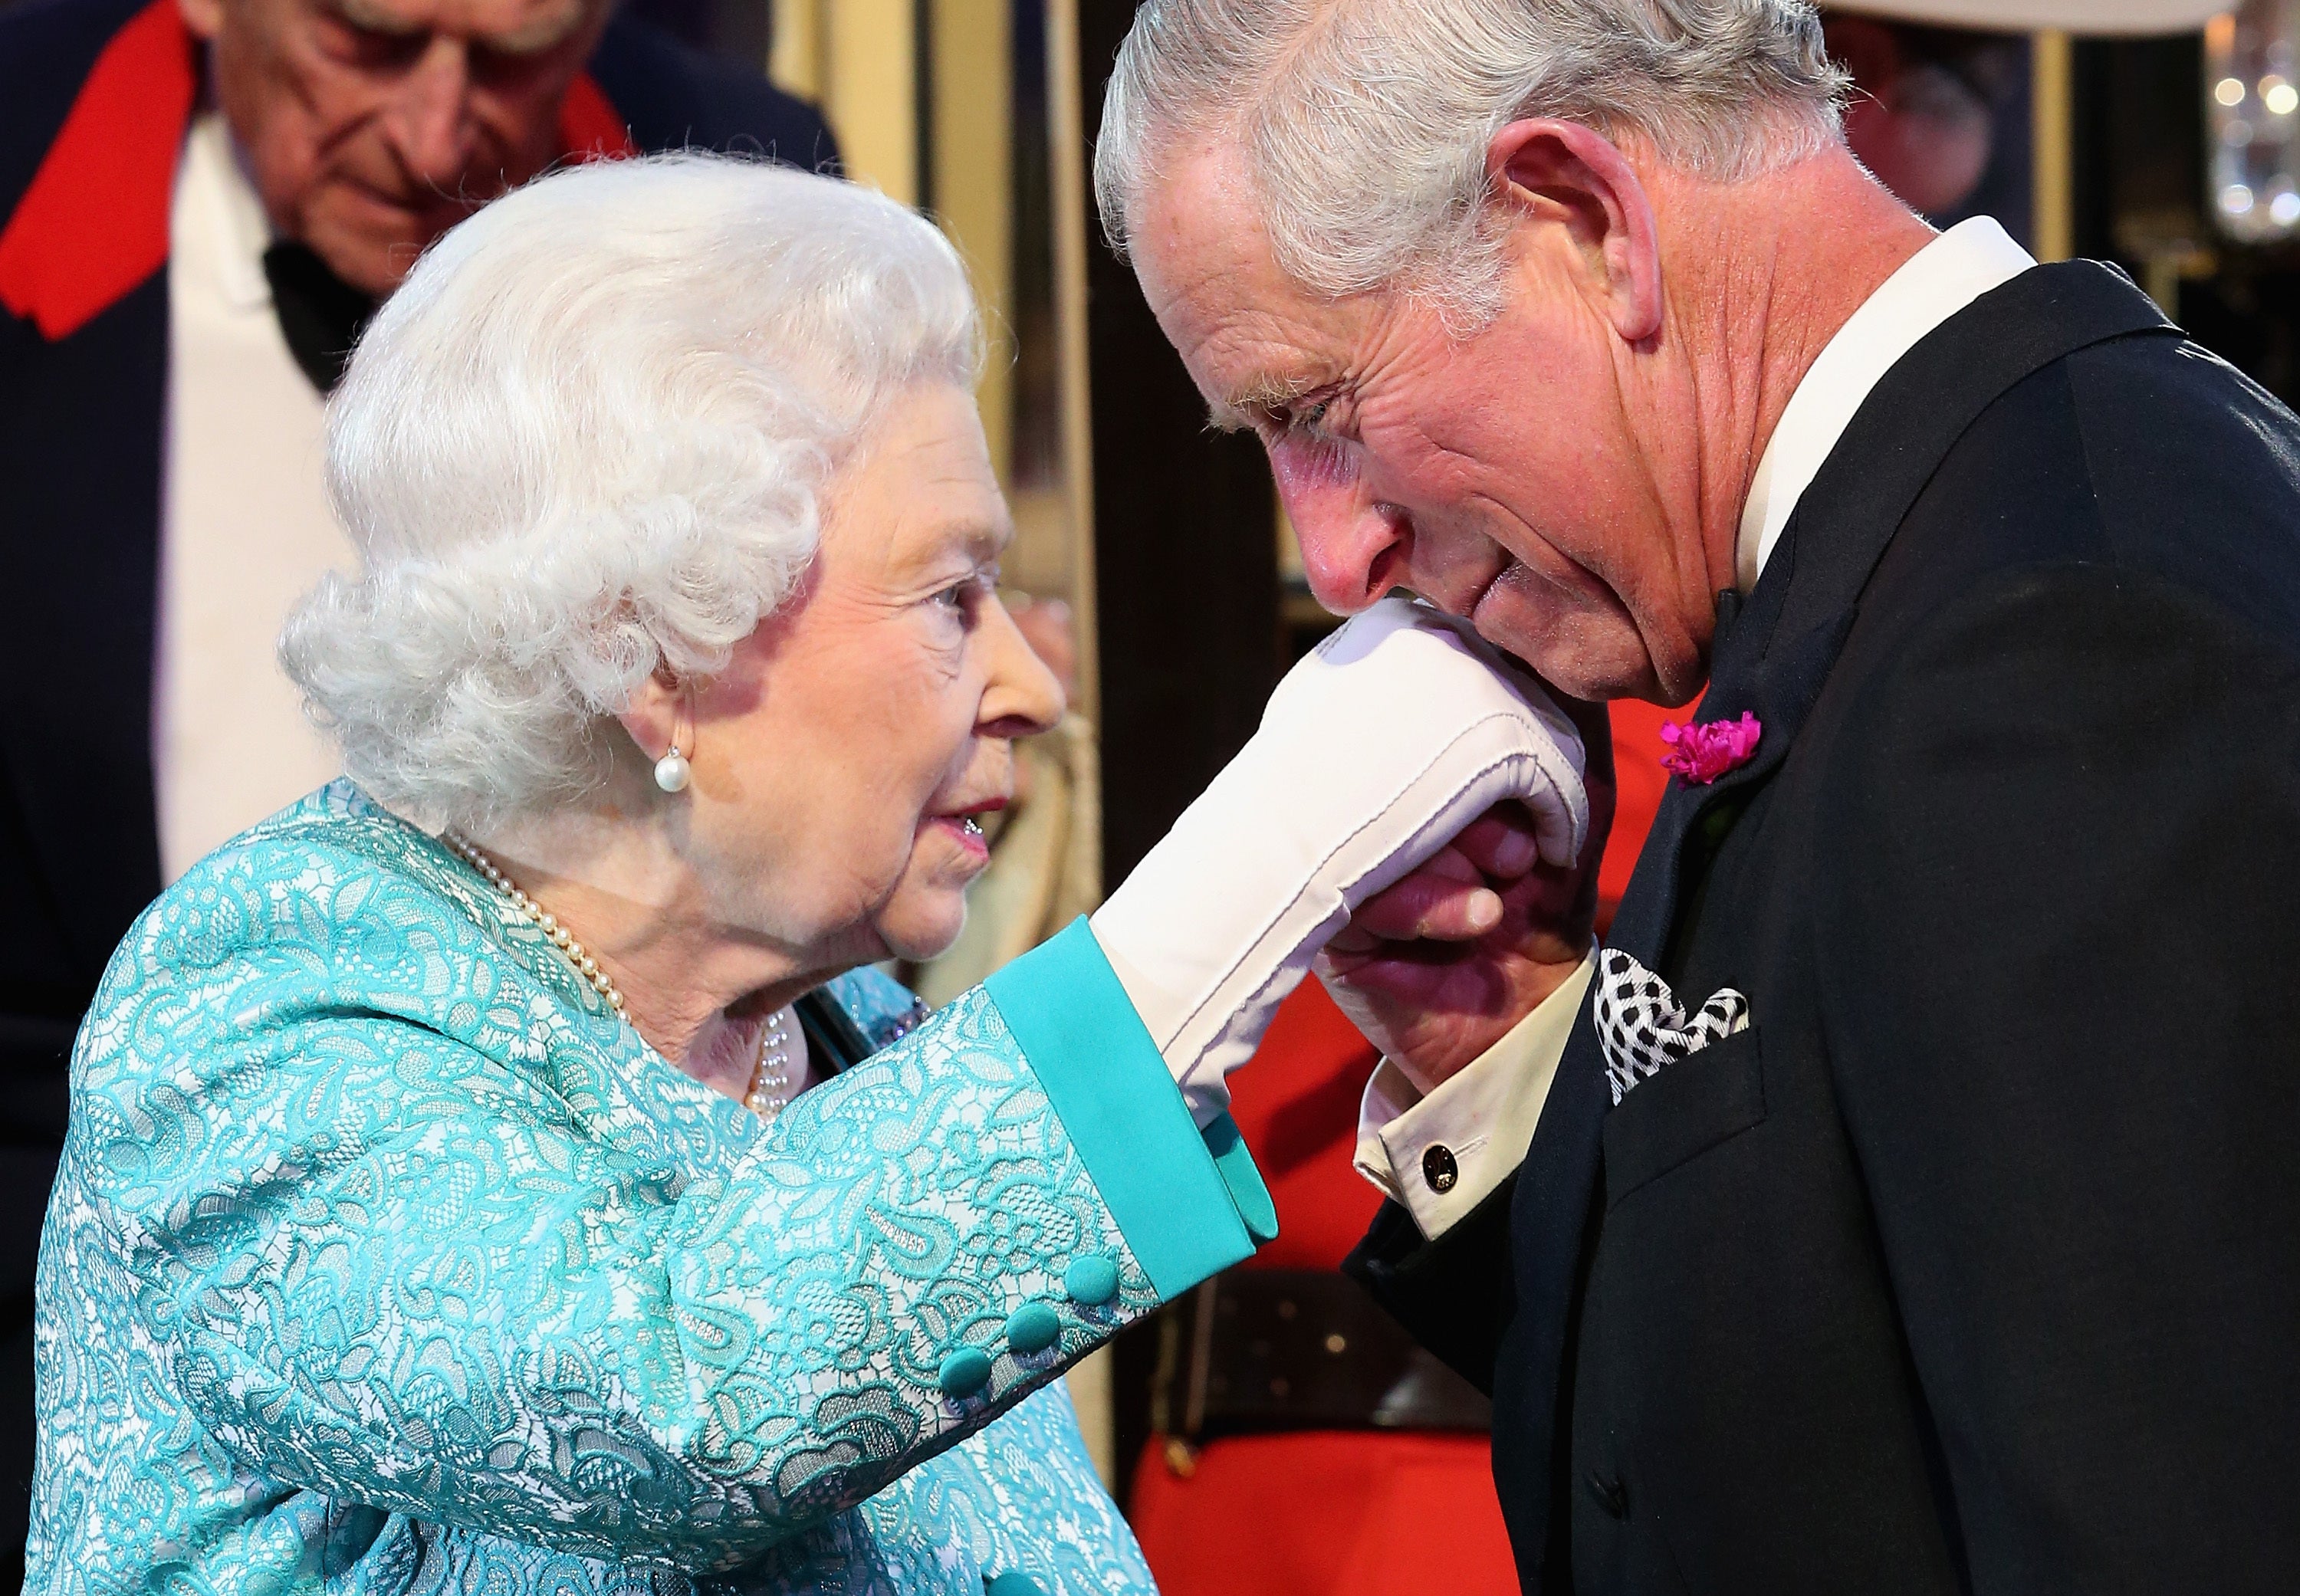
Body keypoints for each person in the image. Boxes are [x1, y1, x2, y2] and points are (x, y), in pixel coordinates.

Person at [26, 153, 1592, 1591]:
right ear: (651, 645)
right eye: (949, 595)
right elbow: (660, 1401)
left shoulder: (847, 1052)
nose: (1030, 689)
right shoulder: (264, 1005)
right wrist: (1251, 875)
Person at [1096, 1, 2300, 1591]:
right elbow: (1815, 1420)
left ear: (1584, 220)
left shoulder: (2052, 645)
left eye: (1319, 415)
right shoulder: (1937, 548)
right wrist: (1504, 1049)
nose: (1336, 556)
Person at [0, 0, 833, 1562]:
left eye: (517, 59)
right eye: (369, 43)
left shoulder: (740, 186)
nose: (441, 137)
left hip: (605, 1363)